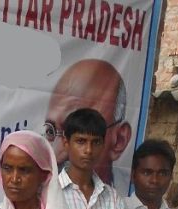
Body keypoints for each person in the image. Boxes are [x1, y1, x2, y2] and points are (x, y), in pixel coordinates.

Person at [44, 59, 132, 195]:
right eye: (51, 131)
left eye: (92, 140)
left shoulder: (113, 200)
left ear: (119, 139)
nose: (57, 152)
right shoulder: (42, 196)